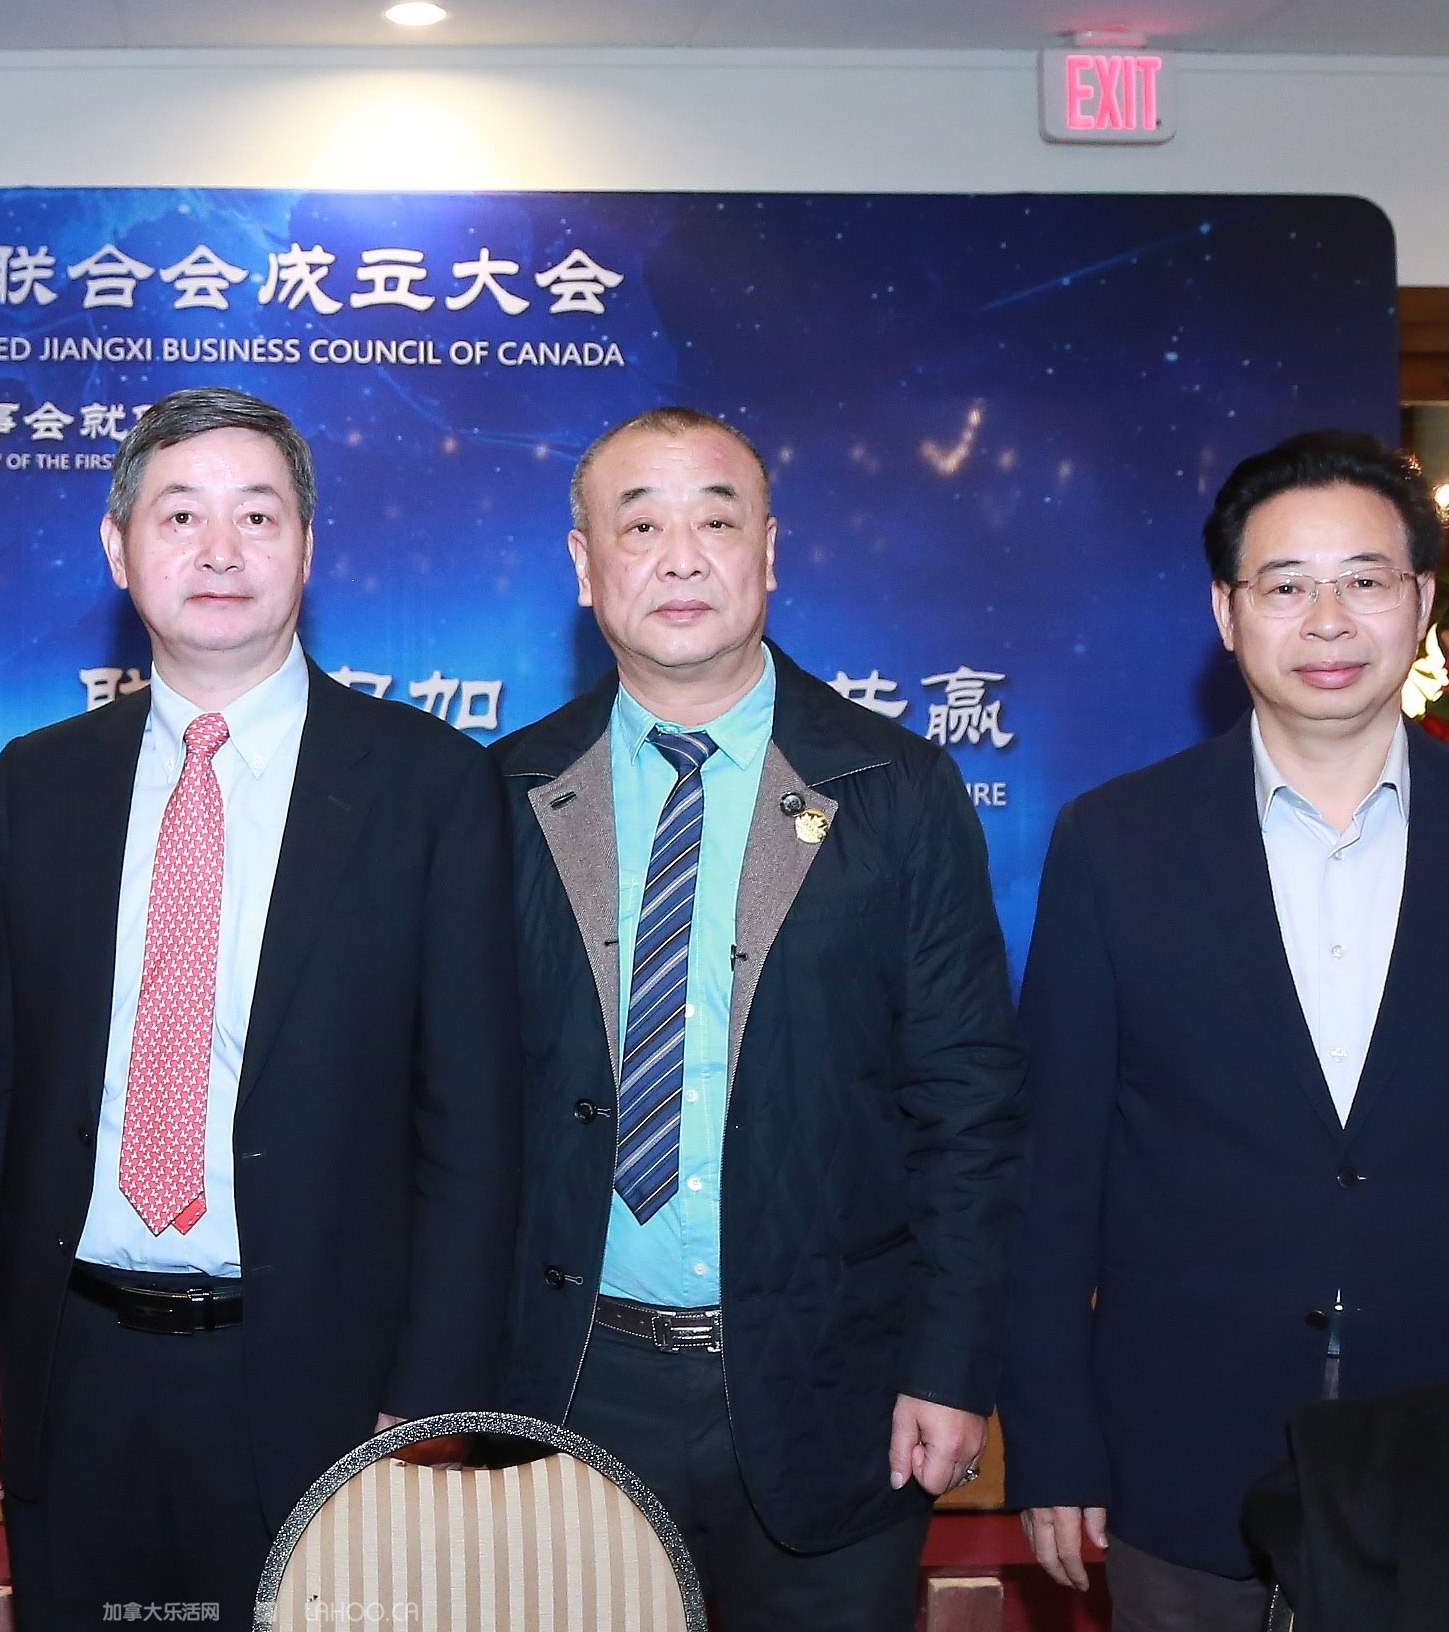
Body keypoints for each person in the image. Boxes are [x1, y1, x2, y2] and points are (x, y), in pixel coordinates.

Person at [1000, 431, 1449, 1628]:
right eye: (1285, 586)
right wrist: (1053, 1439)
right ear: (1226, 613)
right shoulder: (1114, 844)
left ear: (1419, 602)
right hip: (1188, 1454)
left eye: (1364, 580)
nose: (1327, 621)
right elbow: (1050, 1176)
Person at [0, 386, 521, 1628]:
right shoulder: (40, 783)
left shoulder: (429, 786)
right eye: (179, 514)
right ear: (117, 547)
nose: (218, 549)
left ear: (306, 546)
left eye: (257, 515)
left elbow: (473, 1119)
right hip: (70, 1363)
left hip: (325, 1375)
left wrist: (432, 1394)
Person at [494, 406, 1025, 1630]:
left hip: (832, 1385)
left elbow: (969, 1104)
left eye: (717, 522)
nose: (680, 557)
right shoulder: (506, 792)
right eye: (639, 526)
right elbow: (450, 1112)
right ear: (584, 564)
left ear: (770, 551)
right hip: (570, 1383)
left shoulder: (894, 789)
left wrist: (950, 1366)